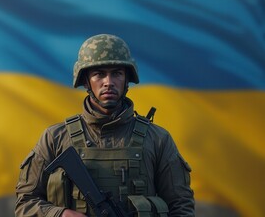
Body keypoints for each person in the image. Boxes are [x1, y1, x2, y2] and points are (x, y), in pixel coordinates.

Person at [15, 34, 195, 217]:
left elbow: (181, 206)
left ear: (126, 79)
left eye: (116, 73)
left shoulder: (157, 139)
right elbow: (25, 203)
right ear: (86, 80)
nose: (108, 82)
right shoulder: (56, 138)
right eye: (99, 74)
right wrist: (60, 214)